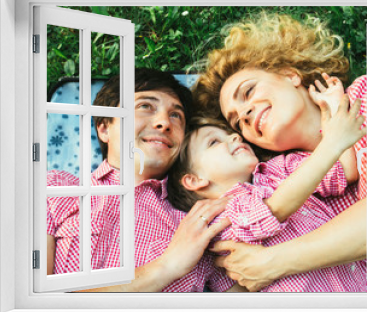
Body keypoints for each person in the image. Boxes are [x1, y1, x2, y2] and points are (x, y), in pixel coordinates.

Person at [193, 12, 367, 291]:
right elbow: (245, 268)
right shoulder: (283, 181)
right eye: (236, 122)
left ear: (289, 75)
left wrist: (271, 262)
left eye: (248, 92)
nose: (244, 113)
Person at [46, 68, 244, 292]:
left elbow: (247, 296)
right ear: (104, 128)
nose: (164, 122)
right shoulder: (56, 189)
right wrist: (167, 266)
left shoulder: (199, 221)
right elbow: (34, 299)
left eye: (176, 115)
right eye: (145, 106)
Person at [167, 87, 367, 292]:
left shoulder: (279, 168)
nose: (235, 138)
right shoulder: (218, 217)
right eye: (214, 142)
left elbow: (344, 170)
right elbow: (275, 209)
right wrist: (331, 145)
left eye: (231, 134)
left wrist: (333, 107)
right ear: (195, 180)